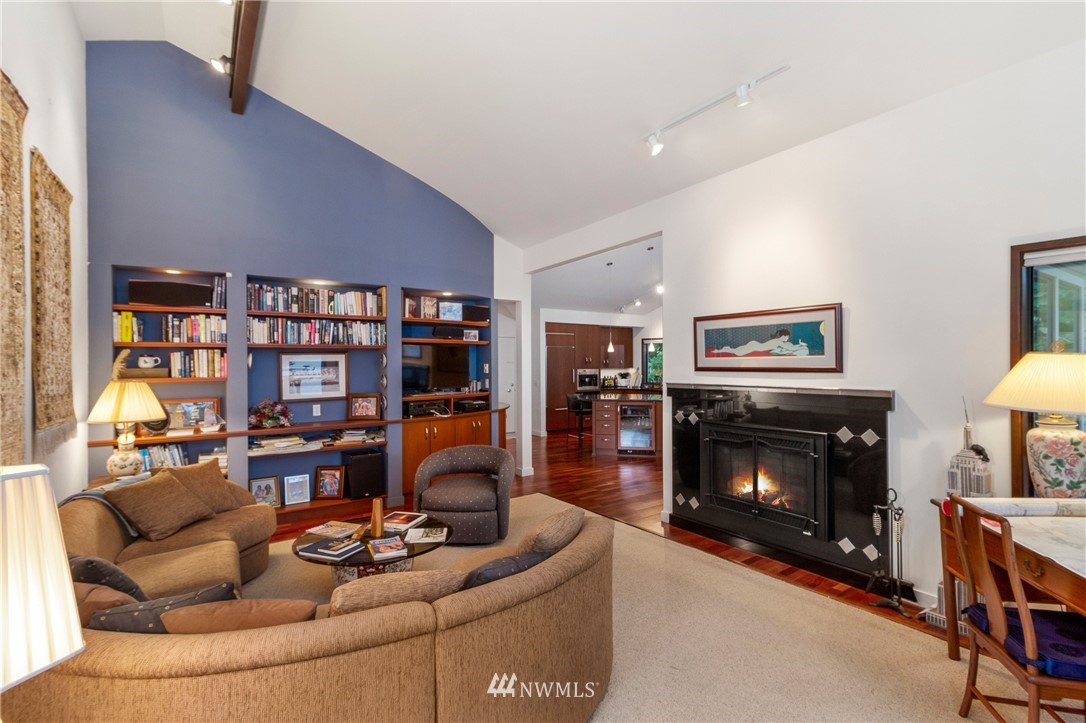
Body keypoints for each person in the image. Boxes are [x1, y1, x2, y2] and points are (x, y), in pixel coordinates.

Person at [713, 329, 809, 357]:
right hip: (755, 346)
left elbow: (789, 347)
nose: (788, 339)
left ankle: (725, 349)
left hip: (755, 344)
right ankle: (726, 349)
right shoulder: (779, 341)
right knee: (738, 353)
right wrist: (800, 348)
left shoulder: (778, 341)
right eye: (787, 337)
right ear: (783, 336)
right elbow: (790, 349)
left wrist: (800, 345)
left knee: (738, 350)